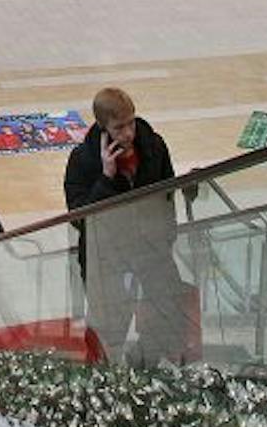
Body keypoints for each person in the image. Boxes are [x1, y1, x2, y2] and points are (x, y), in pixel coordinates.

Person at [64, 87, 183, 365]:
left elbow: (168, 193)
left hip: (151, 250)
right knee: (109, 328)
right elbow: (79, 218)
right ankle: (106, 379)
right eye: (119, 127)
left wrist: (167, 237)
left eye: (131, 122)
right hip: (105, 258)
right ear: (103, 126)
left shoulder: (153, 146)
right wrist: (106, 178)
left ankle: (141, 367)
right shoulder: (83, 161)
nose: (129, 132)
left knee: (167, 313)